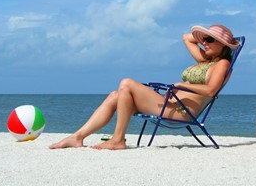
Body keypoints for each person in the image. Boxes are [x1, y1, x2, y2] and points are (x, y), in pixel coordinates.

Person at [49, 24, 239, 151]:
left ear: (223, 45)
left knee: (126, 83)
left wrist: (181, 85)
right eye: (204, 39)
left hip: (181, 112)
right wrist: (207, 38)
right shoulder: (205, 60)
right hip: (169, 105)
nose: (204, 42)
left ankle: (117, 140)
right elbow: (187, 37)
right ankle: (78, 137)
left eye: (210, 40)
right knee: (116, 95)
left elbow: (211, 91)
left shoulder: (221, 64)